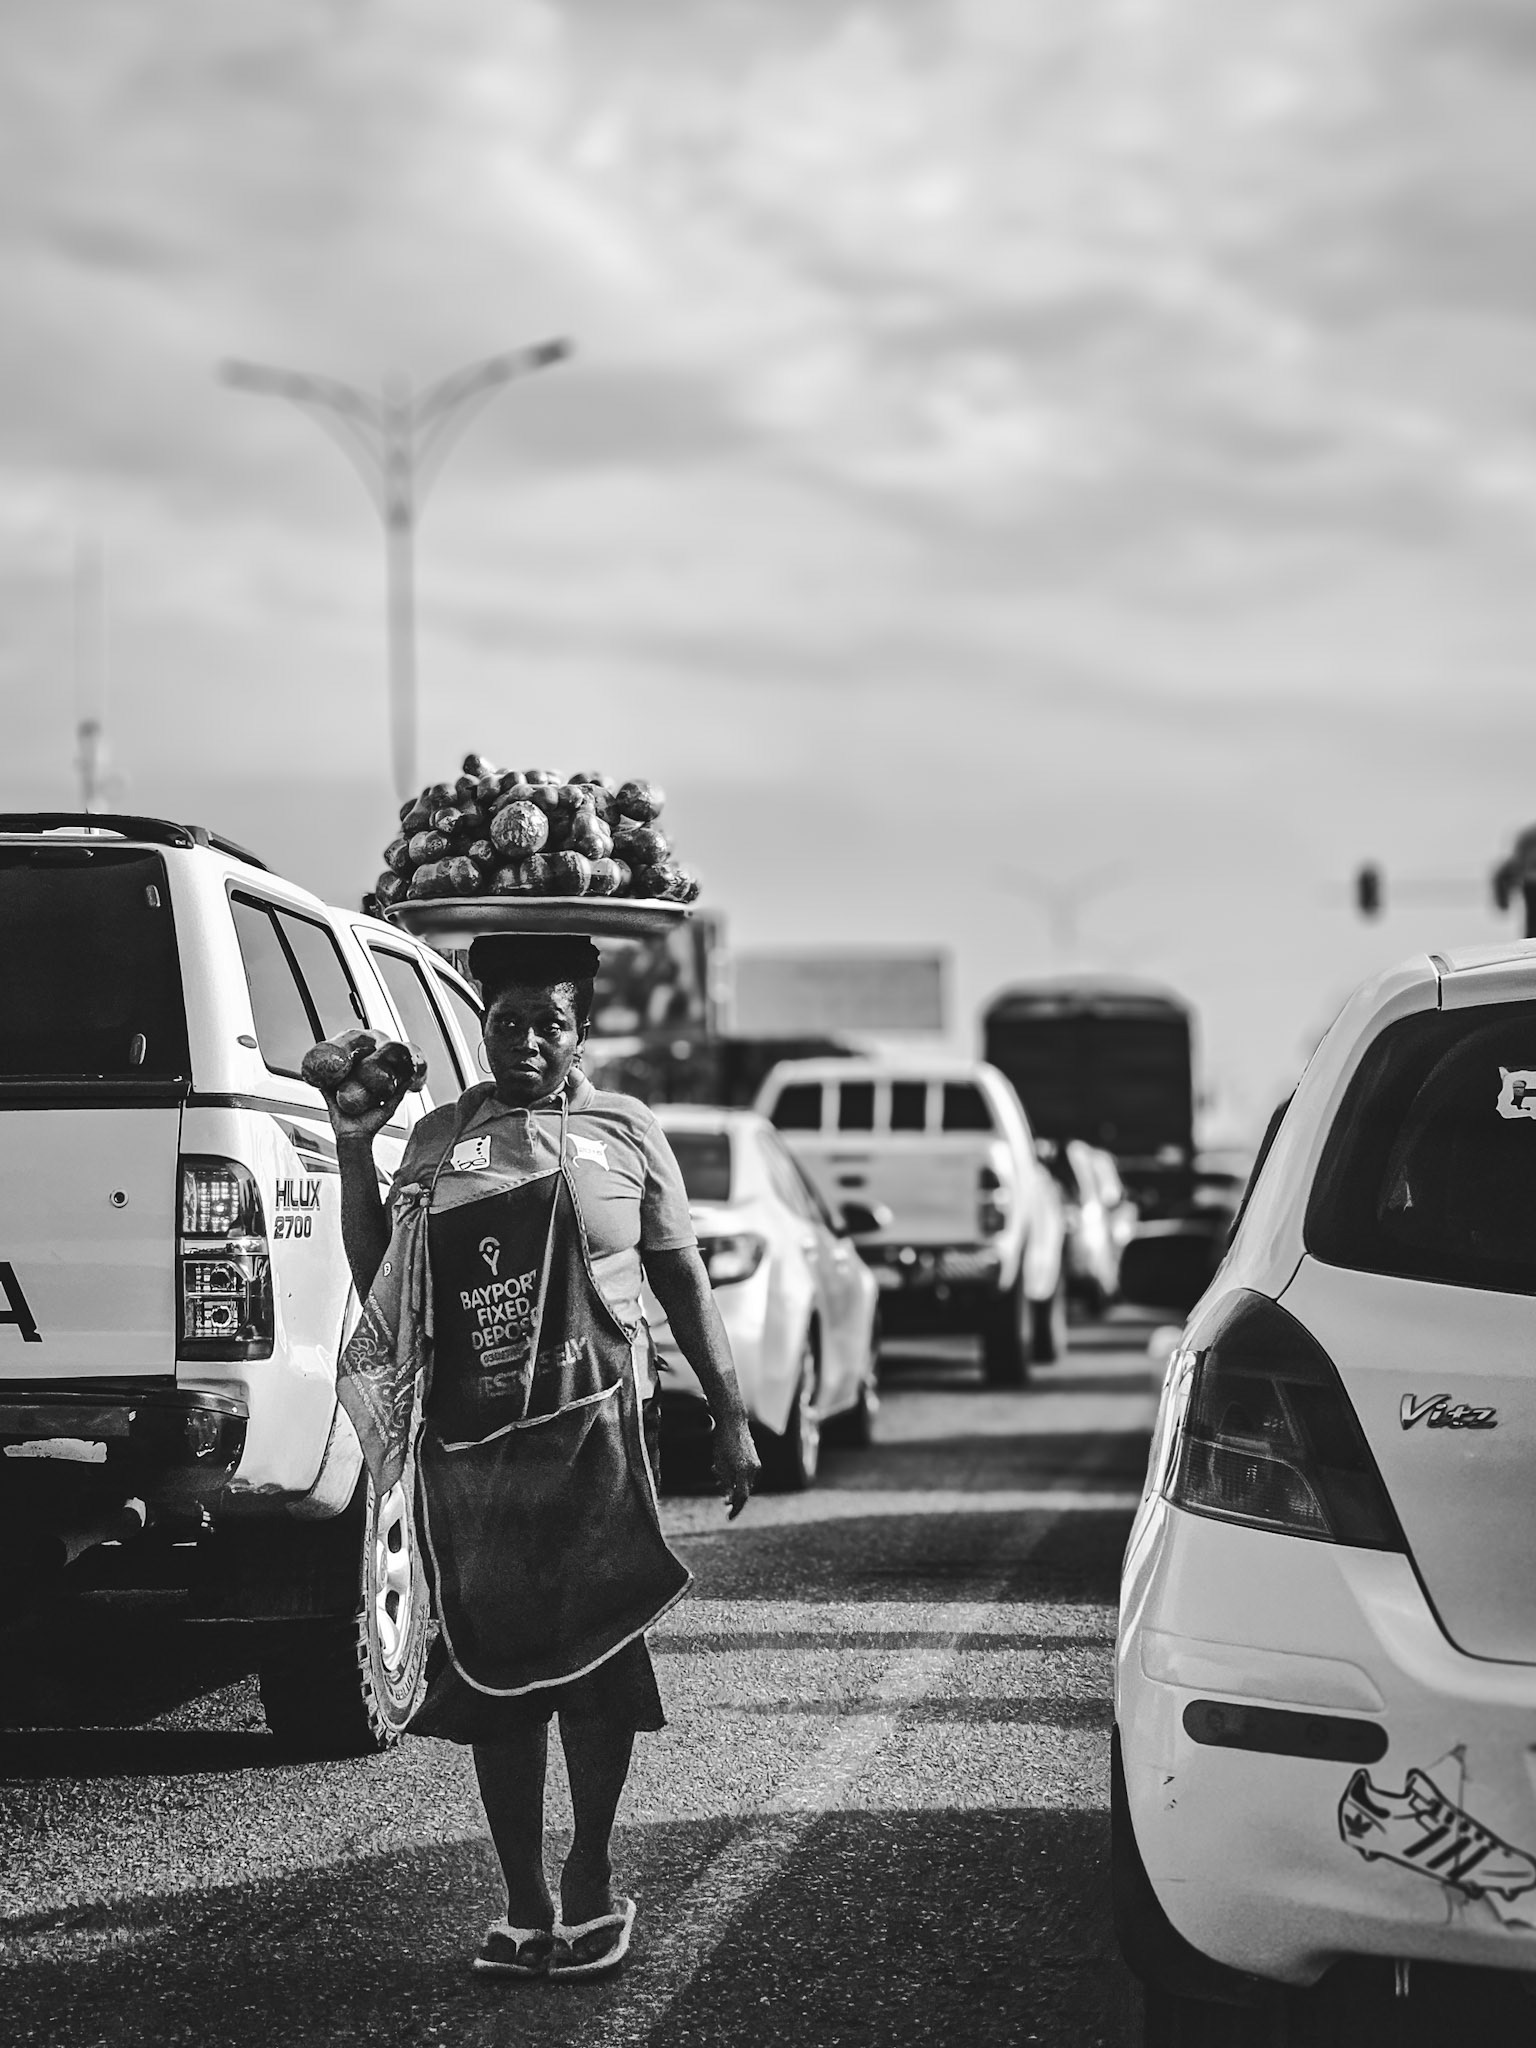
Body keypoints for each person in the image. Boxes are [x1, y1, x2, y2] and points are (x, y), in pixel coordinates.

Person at [325, 932, 760, 1981]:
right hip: (473, 1448)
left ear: (582, 1031)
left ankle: (593, 1871)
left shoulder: (625, 1129)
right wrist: (353, 1147)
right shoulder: (438, 1137)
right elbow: (388, 1280)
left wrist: (733, 1411)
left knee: (600, 1659)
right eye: (506, 1019)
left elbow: (682, 1276)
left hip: (602, 1435)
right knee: (498, 1676)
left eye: (548, 1021)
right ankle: (521, 1894)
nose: (524, 1039)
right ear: (483, 1024)